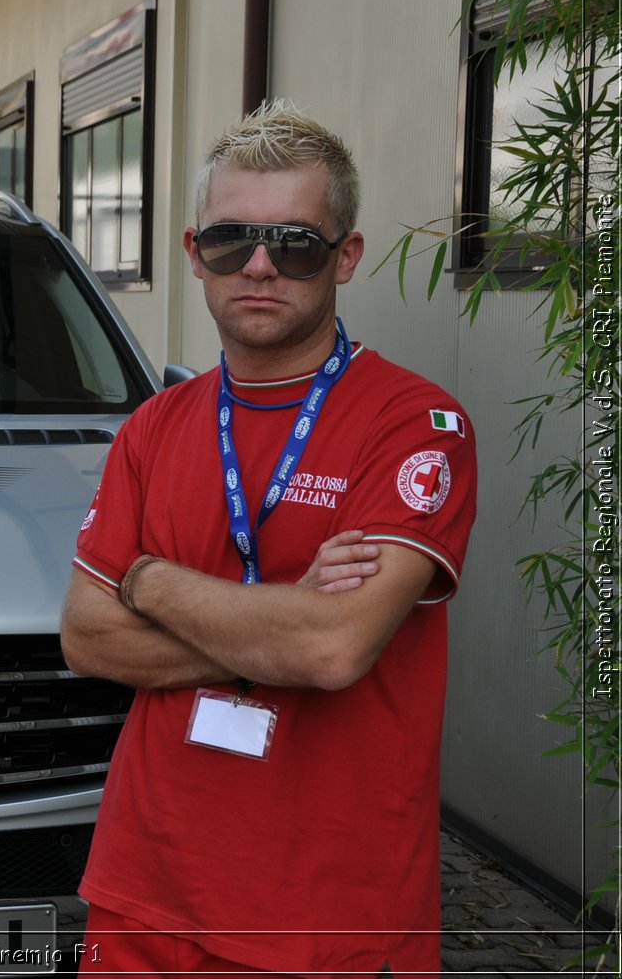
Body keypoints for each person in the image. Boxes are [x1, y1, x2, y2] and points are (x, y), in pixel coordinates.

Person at [61, 101, 477, 976]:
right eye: (230, 241)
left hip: (331, 915)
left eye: (294, 244)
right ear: (194, 254)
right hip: (143, 893)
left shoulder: (415, 424)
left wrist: (141, 578)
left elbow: (332, 648)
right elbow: (86, 637)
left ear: (345, 256)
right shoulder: (153, 426)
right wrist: (275, 625)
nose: (258, 266)